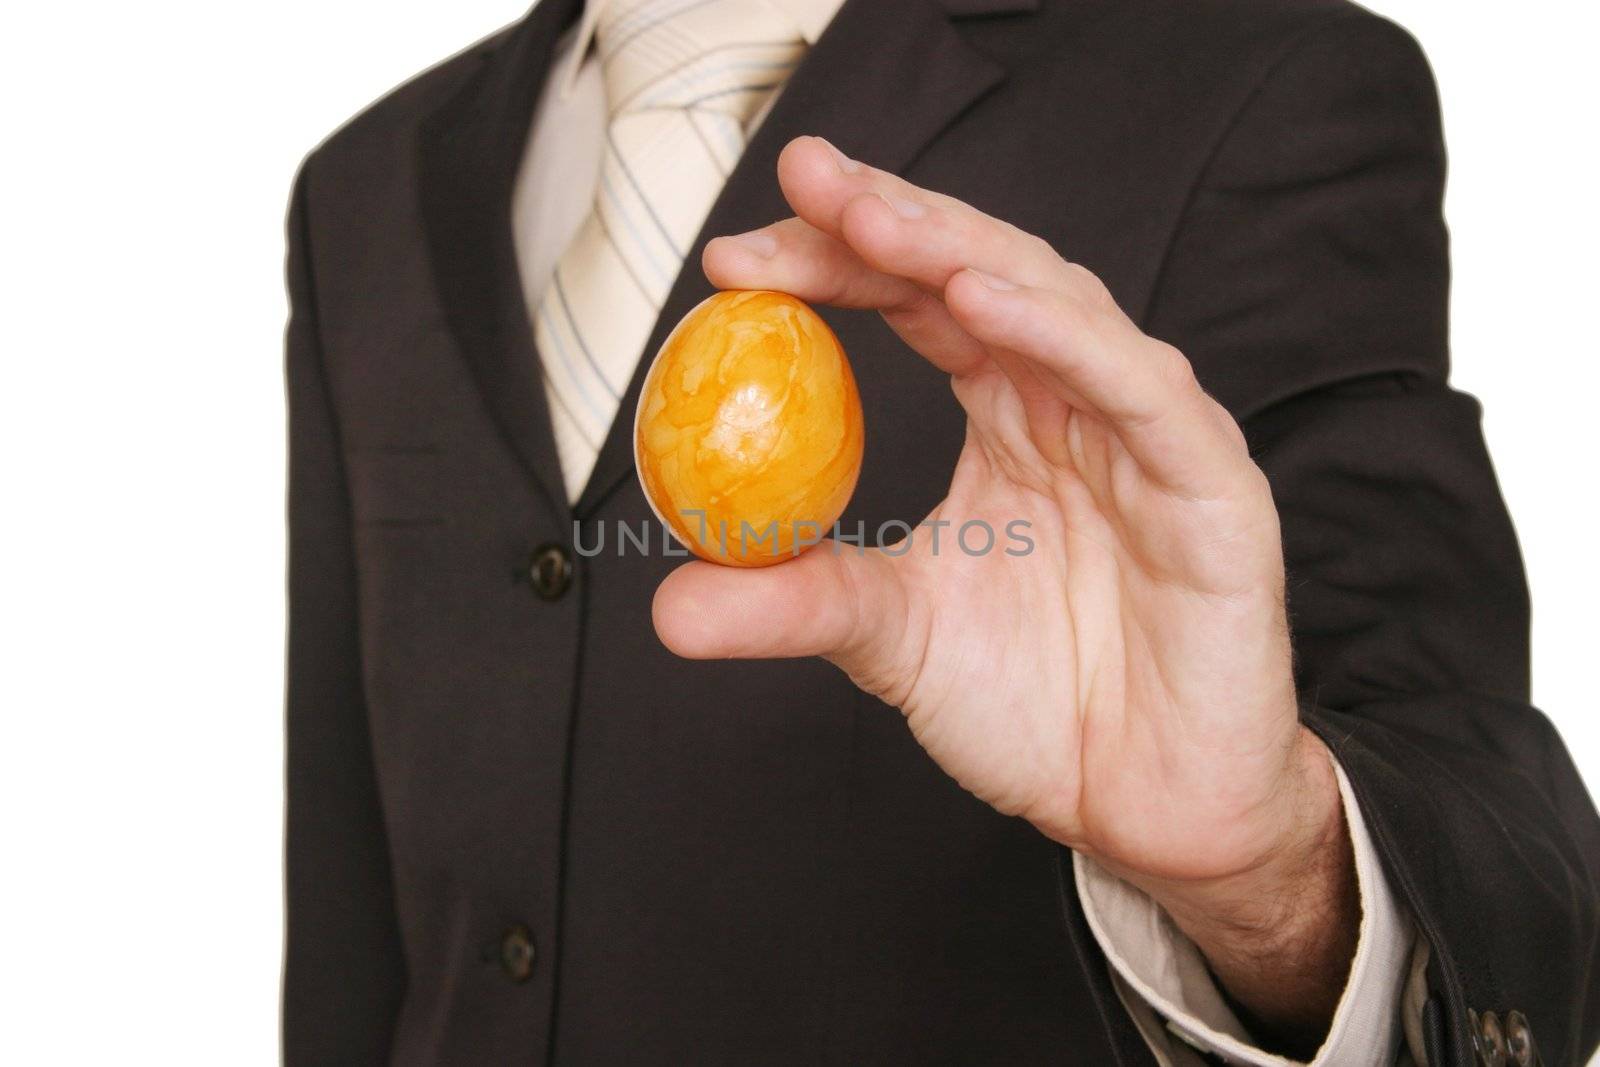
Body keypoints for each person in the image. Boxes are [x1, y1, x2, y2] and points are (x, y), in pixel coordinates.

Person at [282, 0, 1600, 1063]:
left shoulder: (1260, 80)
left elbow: (1493, 843)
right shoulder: (368, 182)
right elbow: (355, 904)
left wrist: (1272, 873)